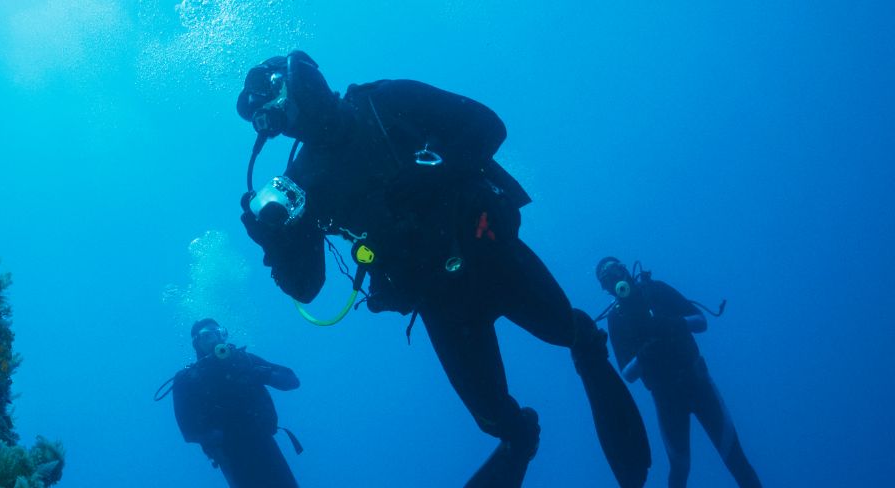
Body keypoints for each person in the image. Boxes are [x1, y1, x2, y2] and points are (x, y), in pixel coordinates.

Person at [231, 50, 650, 487]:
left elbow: (489, 126)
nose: (281, 118)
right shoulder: (304, 183)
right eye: (269, 118)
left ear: (300, 78)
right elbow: (306, 287)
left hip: (490, 254)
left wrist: (434, 173)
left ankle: (585, 344)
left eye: (276, 101)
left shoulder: (385, 100)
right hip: (439, 300)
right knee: (494, 418)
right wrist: (274, 243)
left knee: (567, 331)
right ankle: (519, 439)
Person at [596, 258, 762, 488]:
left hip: (698, 382)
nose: (615, 280)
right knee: (680, 468)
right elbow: (628, 372)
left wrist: (672, 325)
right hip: (667, 399)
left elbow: (701, 321)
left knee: (734, 457)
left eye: (615, 272)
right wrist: (644, 356)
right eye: (608, 280)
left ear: (625, 270)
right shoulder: (617, 319)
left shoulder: (655, 290)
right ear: (606, 289)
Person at [170, 319, 302, 488]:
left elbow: (292, 381)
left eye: (220, 333)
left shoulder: (244, 360)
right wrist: (222, 434)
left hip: (264, 442)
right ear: (197, 343)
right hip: (230, 455)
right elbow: (188, 432)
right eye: (208, 336)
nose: (216, 339)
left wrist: (261, 374)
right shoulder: (187, 379)